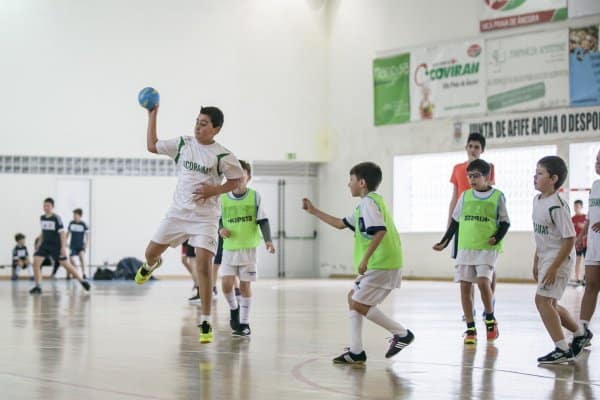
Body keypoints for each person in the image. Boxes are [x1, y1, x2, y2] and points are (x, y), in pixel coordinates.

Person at [133, 104, 243, 344]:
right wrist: (152, 114)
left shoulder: (223, 155)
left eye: (204, 124)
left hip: (205, 218)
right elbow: (152, 146)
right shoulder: (184, 144)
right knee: (149, 253)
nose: (198, 127)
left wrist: (215, 189)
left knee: (203, 265)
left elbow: (237, 179)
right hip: (177, 214)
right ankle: (152, 264)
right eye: (197, 122)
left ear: (216, 129)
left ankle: (205, 320)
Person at [302, 162, 414, 364]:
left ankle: (402, 334)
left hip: (382, 263)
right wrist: (314, 211)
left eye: (351, 180)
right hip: (382, 263)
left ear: (361, 183)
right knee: (353, 298)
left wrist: (365, 259)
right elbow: (339, 224)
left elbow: (380, 231)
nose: (348, 184)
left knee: (358, 303)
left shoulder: (368, 204)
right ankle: (356, 352)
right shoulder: (368, 203)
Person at [433, 159, 508, 344]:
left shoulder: (497, 196)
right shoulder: (465, 196)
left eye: (476, 176)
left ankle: (490, 318)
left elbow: (505, 222)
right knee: (465, 287)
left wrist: (497, 237)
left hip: (487, 248)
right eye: (470, 176)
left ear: (487, 177)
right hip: (466, 247)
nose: (472, 179)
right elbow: (455, 221)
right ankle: (470, 328)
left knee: (483, 282)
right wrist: (444, 242)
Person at [531, 156, 586, 364]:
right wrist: (536, 260)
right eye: (535, 172)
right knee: (551, 302)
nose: (534, 177)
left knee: (542, 300)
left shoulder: (557, 206)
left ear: (553, 179)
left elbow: (569, 238)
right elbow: (542, 235)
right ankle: (580, 333)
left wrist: (554, 267)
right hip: (546, 257)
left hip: (560, 259)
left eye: (539, 173)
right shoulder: (537, 200)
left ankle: (562, 348)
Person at [219, 160, 275, 336]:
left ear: (248, 177)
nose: (238, 178)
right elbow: (218, 219)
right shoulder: (222, 198)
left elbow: (263, 220)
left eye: (242, 175)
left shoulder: (254, 196)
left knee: (245, 286)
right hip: (229, 248)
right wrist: (220, 229)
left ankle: (244, 323)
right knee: (226, 285)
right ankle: (234, 308)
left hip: (249, 248)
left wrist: (268, 240)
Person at [448, 133, 496, 319]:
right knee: (467, 269)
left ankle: (489, 304)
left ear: (482, 150)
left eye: (477, 146)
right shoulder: (458, 168)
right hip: (463, 222)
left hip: (482, 224)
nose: (473, 149)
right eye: (471, 146)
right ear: (466, 148)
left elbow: (491, 195)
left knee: (487, 268)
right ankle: (470, 309)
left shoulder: (488, 168)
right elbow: (454, 197)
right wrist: (450, 223)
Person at [29, 198, 91, 294]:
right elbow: (43, 231)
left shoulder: (56, 218)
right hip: (45, 245)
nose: (46, 207)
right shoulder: (42, 217)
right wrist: (39, 242)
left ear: (52, 207)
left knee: (66, 265)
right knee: (36, 263)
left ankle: (82, 281)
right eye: (44, 205)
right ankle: (38, 287)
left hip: (56, 246)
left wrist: (63, 247)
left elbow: (62, 233)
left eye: (48, 206)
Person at [573, 149, 600, 356]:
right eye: (597, 160)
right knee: (591, 285)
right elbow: (592, 215)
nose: (597, 164)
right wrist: (582, 234)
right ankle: (582, 330)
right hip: (594, 243)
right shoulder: (595, 186)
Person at [67, 208, 89, 280]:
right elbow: (68, 233)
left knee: (81, 257)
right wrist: (65, 242)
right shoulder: (71, 223)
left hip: (80, 245)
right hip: (72, 245)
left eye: (75, 215)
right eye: (74, 215)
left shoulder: (83, 224)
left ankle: (84, 273)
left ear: (80, 216)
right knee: (71, 259)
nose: (74, 217)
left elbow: (87, 235)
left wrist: (85, 245)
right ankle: (74, 271)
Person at [572, 200, 587, 285]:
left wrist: (583, 237)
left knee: (587, 262)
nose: (576, 208)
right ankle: (577, 279)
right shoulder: (572, 219)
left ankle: (586, 278)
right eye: (574, 206)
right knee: (577, 260)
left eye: (577, 206)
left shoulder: (586, 217)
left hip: (586, 244)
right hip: (578, 244)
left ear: (581, 207)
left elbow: (589, 230)